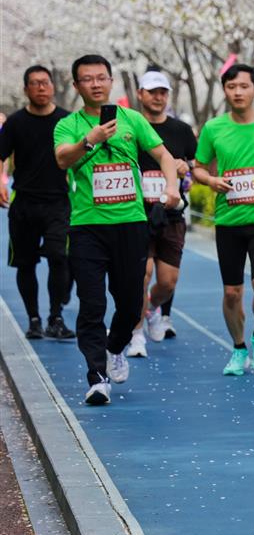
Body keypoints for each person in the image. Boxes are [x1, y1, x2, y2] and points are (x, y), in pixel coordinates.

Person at [53, 54, 180, 405]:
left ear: (111, 82)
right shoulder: (69, 125)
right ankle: (96, 376)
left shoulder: (132, 119)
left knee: (129, 301)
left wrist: (171, 186)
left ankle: (115, 346)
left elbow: (165, 156)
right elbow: (62, 159)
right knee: (91, 303)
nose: (95, 84)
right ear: (77, 85)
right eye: (87, 79)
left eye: (101, 78)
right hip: (87, 227)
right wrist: (89, 140)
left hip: (130, 224)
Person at [193, 64, 254, 376]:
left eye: (244, 86)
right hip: (229, 221)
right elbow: (198, 167)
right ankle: (238, 347)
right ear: (225, 90)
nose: (238, 92)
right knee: (232, 292)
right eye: (231, 86)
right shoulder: (213, 128)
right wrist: (210, 181)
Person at [126, 68, 197, 358]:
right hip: (137, 213)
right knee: (141, 274)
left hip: (170, 215)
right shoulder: (129, 127)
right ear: (140, 94)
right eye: (152, 91)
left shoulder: (180, 131)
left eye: (162, 92)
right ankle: (136, 333)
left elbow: (194, 168)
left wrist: (185, 171)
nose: (158, 97)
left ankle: (152, 308)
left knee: (167, 282)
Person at [0, 65, 74, 340]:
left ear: (53, 86)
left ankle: (56, 317)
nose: (41, 88)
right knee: (25, 263)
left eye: (45, 82)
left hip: (59, 203)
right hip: (25, 203)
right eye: (35, 83)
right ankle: (34, 319)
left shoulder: (67, 120)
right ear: (25, 89)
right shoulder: (16, 123)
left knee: (59, 257)